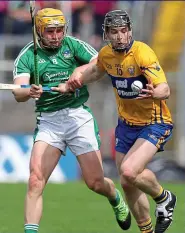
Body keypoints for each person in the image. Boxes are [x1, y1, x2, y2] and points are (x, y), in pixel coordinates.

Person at [56, 10, 177, 233]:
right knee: (127, 182)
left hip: (154, 122)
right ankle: (146, 230)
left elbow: (164, 87)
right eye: (114, 32)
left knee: (130, 171)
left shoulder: (142, 52)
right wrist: (70, 84)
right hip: (126, 125)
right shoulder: (106, 55)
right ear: (107, 34)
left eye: (123, 31)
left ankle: (164, 198)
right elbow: (93, 72)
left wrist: (157, 92)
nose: (120, 36)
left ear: (129, 31)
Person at [12, 8, 131, 233]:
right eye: (50, 31)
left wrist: (80, 71)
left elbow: (100, 63)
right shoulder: (28, 55)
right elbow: (18, 90)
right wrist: (29, 91)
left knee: (95, 182)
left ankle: (115, 197)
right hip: (49, 121)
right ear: (39, 31)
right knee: (36, 180)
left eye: (59, 30)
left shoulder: (72, 45)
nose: (56, 35)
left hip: (77, 117)